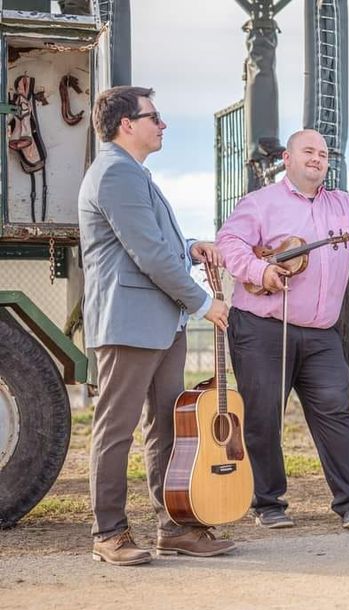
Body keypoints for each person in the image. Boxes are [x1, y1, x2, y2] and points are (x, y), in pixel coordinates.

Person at [216, 129, 349, 530]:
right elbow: (229, 242)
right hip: (262, 327)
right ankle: (268, 504)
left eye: (323, 153)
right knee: (263, 416)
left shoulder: (341, 204)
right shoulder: (260, 203)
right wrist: (261, 270)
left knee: (336, 412)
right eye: (308, 151)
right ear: (287, 158)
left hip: (322, 333)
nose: (318, 158)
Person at [79, 86, 235, 566]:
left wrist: (189, 246)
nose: (162, 125)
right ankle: (109, 533)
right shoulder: (114, 174)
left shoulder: (133, 174)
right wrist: (204, 302)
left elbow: (156, 239)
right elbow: (146, 254)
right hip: (130, 324)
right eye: (154, 117)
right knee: (117, 429)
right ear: (127, 123)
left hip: (159, 323)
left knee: (170, 427)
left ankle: (176, 526)